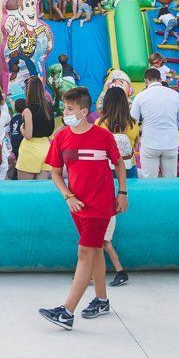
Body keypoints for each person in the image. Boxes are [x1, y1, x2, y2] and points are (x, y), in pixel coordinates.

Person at [39, 87, 127, 330]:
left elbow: (118, 163)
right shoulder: (61, 137)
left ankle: (66, 312)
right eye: (65, 108)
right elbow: (55, 173)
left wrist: (122, 192)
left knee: (85, 253)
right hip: (76, 205)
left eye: (69, 109)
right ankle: (101, 300)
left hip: (100, 206)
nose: (65, 112)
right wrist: (68, 196)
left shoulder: (103, 136)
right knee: (96, 251)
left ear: (83, 111)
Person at [96, 86, 139, 288]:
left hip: (106, 172)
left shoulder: (99, 124)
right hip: (128, 171)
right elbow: (135, 145)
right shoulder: (133, 124)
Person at [130, 68, 179, 178]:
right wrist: (171, 127)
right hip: (170, 143)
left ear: (146, 80)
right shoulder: (175, 95)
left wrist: (142, 130)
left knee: (149, 180)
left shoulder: (140, 96)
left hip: (150, 143)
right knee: (170, 180)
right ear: (160, 79)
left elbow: (132, 121)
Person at [16, 77, 54, 180]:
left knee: (26, 191)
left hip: (30, 150)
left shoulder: (28, 110)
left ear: (28, 91)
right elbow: (51, 130)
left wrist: (21, 129)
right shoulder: (49, 107)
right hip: (46, 149)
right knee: (41, 190)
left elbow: (28, 135)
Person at [9, 98, 27, 162]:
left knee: (18, 162)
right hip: (22, 143)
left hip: (14, 144)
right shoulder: (25, 118)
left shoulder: (13, 119)